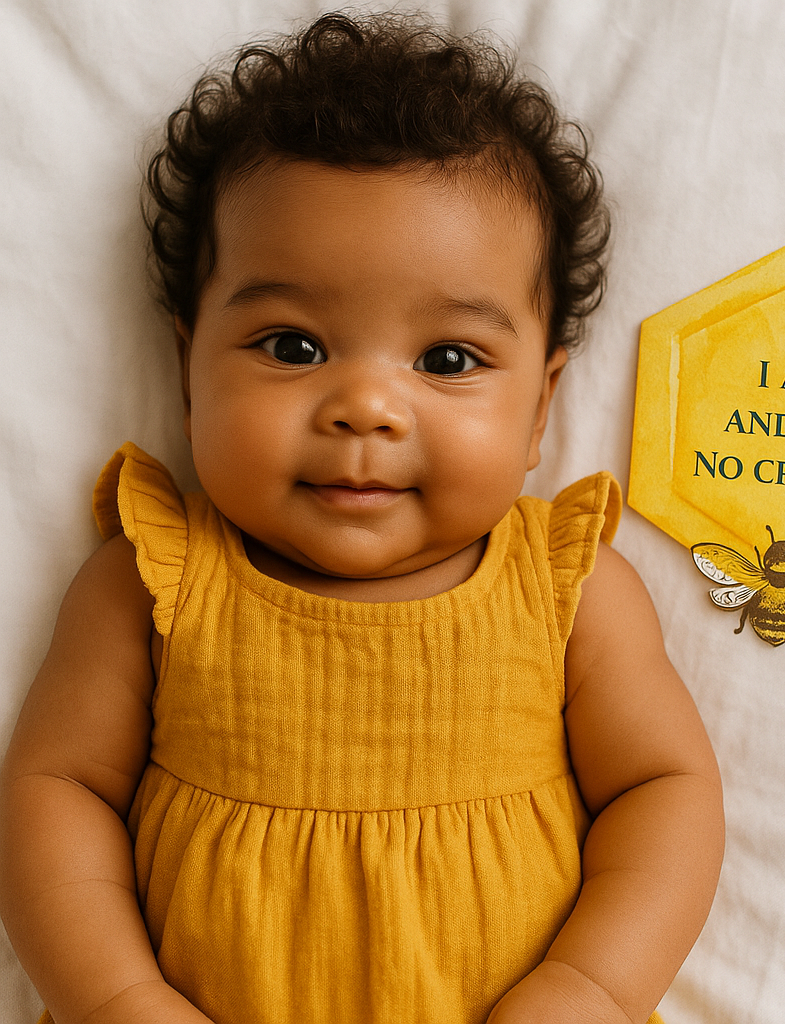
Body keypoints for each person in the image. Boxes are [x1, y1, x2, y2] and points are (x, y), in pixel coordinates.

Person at [0, 12, 724, 1024]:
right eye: (292, 345)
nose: (365, 406)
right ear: (186, 371)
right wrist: (115, 996)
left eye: (447, 359)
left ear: (542, 409)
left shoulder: (565, 588)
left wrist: (593, 988)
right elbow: (55, 790)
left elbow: (664, 790)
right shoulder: (156, 576)